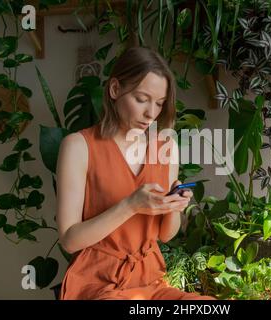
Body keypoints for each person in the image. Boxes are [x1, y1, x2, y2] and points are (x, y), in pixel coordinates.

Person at [56, 46, 216, 300]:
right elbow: (70, 240)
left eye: (159, 103)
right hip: (98, 284)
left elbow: (165, 235)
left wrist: (175, 206)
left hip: (150, 282)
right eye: (142, 99)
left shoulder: (166, 147)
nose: (151, 113)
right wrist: (130, 205)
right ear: (115, 89)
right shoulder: (78, 146)